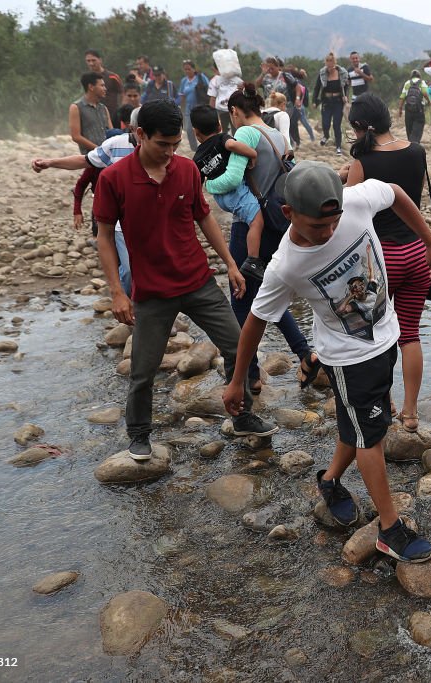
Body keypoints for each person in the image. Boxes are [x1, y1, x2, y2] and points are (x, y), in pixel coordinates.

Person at [221, 160, 431, 562]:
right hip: (347, 358)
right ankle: (389, 529)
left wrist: (430, 242)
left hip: (385, 337)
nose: (327, 233)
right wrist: (239, 379)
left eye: (333, 223)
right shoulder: (286, 264)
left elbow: (394, 190)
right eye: (316, 227)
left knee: (358, 425)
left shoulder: (356, 201)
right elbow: (256, 320)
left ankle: (328, 480)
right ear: (289, 214)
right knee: (370, 435)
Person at [92, 99, 276, 459]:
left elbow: (204, 218)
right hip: (152, 292)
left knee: (239, 348)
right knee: (143, 371)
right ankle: (140, 433)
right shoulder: (114, 179)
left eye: (176, 145)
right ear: (140, 134)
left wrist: (231, 264)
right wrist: (117, 292)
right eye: (162, 145)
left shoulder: (188, 171)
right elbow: (103, 237)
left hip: (198, 282)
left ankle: (243, 416)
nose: (169, 152)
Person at [203, 84, 315, 394]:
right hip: (278, 224)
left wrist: (209, 185)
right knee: (271, 295)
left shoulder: (243, 135)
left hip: (249, 226)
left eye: (232, 116)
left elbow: (235, 177)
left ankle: (248, 375)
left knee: (241, 300)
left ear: (235, 112)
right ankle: (305, 353)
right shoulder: (277, 134)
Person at [346, 93, 431, 432]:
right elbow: (412, 200)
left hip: (380, 260)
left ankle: (384, 403)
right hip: (416, 252)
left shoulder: (364, 161)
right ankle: (410, 414)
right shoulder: (417, 151)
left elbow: (349, 209)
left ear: (358, 127)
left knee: (375, 335)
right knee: (409, 335)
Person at [32, 108, 142, 297]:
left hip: (153, 220)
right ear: (133, 130)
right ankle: (132, 303)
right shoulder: (115, 145)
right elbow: (84, 161)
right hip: (121, 224)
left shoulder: (162, 147)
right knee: (131, 269)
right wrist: (50, 162)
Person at [189, 104, 267, 284]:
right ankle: (253, 260)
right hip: (235, 191)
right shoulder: (221, 139)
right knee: (257, 221)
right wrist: (252, 153)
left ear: (196, 132)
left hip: (221, 199)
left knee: (245, 215)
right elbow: (232, 144)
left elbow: (197, 184)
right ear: (219, 125)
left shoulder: (197, 157)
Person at [72, 104, 135, 237]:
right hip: (101, 206)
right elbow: (81, 184)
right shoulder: (96, 164)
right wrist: (77, 210)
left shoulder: (126, 159)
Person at [313, 52, 349, 155]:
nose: (329, 63)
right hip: (326, 101)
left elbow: (346, 86)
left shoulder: (342, 72)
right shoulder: (322, 73)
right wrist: (314, 101)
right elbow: (317, 88)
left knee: (336, 124)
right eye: (327, 61)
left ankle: (338, 146)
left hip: (338, 101)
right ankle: (326, 135)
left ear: (335, 62)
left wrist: (345, 95)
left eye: (331, 61)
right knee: (325, 123)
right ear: (325, 62)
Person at [70, 72, 111, 154]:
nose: (105, 89)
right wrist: (98, 149)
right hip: (90, 157)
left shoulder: (103, 108)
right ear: (91, 87)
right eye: (102, 86)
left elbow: (111, 131)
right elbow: (76, 136)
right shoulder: (76, 107)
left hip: (108, 156)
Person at [84, 49, 124, 127]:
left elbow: (122, 92)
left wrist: (120, 109)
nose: (91, 63)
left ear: (100, 60)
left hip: (112, 114)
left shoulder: (112, 77)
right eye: (88, 61)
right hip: (94, 115)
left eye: (93, 60)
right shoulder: (87, 79)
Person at [178, 60, 209, 151]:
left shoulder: (201, 77)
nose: (187, 71)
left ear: (194, 69)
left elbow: (209, 88)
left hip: (201, 108)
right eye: (185, 69)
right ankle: (194, 149)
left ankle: (205, 146)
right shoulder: (184, 81)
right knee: (189, 130)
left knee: (202, 129)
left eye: (189, 69)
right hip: (189, 110)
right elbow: (182, 96)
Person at [208, 64, 244, 135]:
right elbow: (213, 98)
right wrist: (211, 114)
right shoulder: (215, 80)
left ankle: (232, 144)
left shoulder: (236, 79)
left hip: (234, 110)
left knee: (233, 131)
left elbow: (243, 91)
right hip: (223, 110)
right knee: (224, 131)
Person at [397, 70, 431, 144]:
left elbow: (402, 97)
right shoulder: (422, 82)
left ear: (411, 76)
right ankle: (414, 142)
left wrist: (400, 109)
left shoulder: (407, 83)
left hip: (408, 108)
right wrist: (429, 101)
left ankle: (410, 142)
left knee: (409, 126)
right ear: (419, 76)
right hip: (419, 108)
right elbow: (425, 93)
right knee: (419, 124)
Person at [288, 65, 316, 144]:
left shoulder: (294, 83)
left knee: (291, 124)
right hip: (301, 105)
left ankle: (293, 141)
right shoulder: (301, 82)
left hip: (296, 105)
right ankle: (312, 138)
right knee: (305, 122)